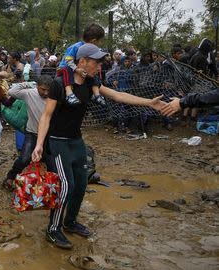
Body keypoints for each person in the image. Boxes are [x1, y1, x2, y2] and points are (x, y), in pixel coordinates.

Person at [31, 44, 167, 249]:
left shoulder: (90, 82)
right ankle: (53, 228)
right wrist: (39, 144)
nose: (99, 65)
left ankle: (70, 222)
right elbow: (46, 115)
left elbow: (117, 95)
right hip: (58, 142)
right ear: (82, 61)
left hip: (76, 141)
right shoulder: (59, 84)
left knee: (81, 183)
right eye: (96, 61)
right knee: (66, 186)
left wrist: (149, 102)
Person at [3, 75, 52, 189]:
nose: (45, 93)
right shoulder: (30, 93)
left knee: (51, 162)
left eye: (48, 90)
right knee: (24, 158)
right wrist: (29, 83)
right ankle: (11, 176)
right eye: (43, 89)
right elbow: (12, 91)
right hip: (32, 133)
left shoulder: (53, 97)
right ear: (37, 86)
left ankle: (50, 186)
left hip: (49, 134)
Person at [57, 23, 106, 106]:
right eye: (100, 41)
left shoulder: (91, 50)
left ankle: (96, 95)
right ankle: (69, 94)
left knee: (93, 75)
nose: (100, 43)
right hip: (66, 68)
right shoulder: (76, 47)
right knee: (66, 71)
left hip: (78, 70)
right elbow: (68, 61)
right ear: (94, 41)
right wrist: (76, 69)